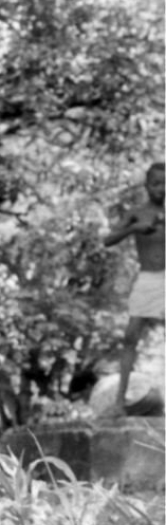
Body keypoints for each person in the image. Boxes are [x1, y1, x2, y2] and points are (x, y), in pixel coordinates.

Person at [103, 161, 165, 414]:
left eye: (165, 184)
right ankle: (120, 401)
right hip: (148, 278)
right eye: (156, 183)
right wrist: (133, 229)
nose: (161, 189)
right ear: (147, 185)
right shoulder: (137, 212)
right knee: (130, 337)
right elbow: (107, 240)